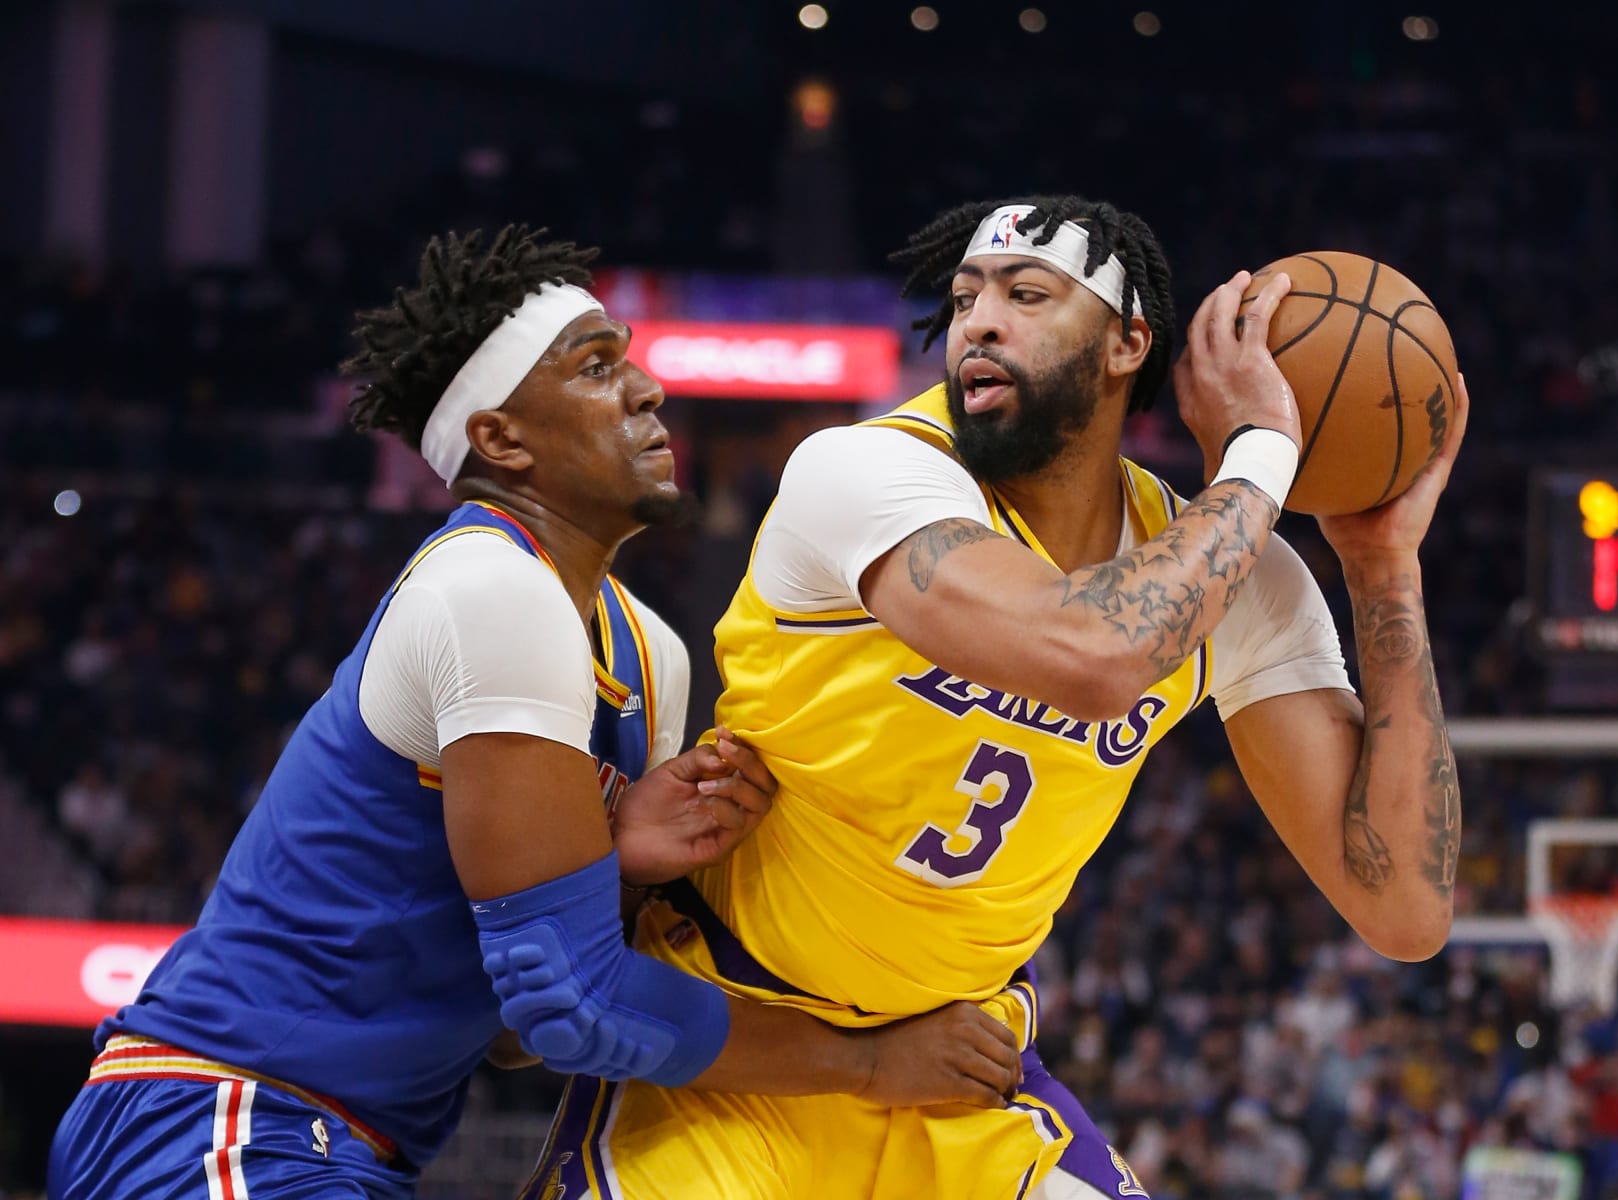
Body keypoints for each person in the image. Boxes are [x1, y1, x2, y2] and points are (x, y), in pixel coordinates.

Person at [47, 226, 1022, 1199]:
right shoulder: (488, 586)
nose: (647, 390)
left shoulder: (649, 656)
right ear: (502, 440)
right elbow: (576, 1010)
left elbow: (516, 1035)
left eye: (632, 363)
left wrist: (622, 864)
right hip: (220, 1114)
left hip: (338, 1145)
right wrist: (871, 1062)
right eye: (597, 369)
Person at [532, 195, 1470, 1199]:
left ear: (1127, 345)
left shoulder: (1235, 576)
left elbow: (1403, 909)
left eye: (1027, 295)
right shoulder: (869, 472)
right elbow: (1095, 652)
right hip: (732, 1042)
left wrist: (1380, 569)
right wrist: (1263, 458)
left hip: (954, 1064)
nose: (979, 319)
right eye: (967, 295)